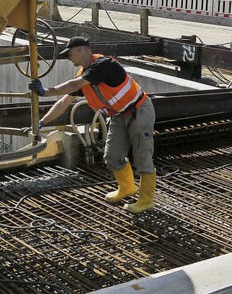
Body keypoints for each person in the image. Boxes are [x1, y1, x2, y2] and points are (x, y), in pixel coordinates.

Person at [29, 36, 156, 213]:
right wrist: (43, 121)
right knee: (112, 156)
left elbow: (74, 84)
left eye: (69, 54)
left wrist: (47, 91)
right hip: (119, 116)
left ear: (80, 50)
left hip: (139, 110)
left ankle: (146, 200)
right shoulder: (85, 76)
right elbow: (64, 103)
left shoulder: (102, 64)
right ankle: (127, 188)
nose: (68, 57)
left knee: (142, 156)